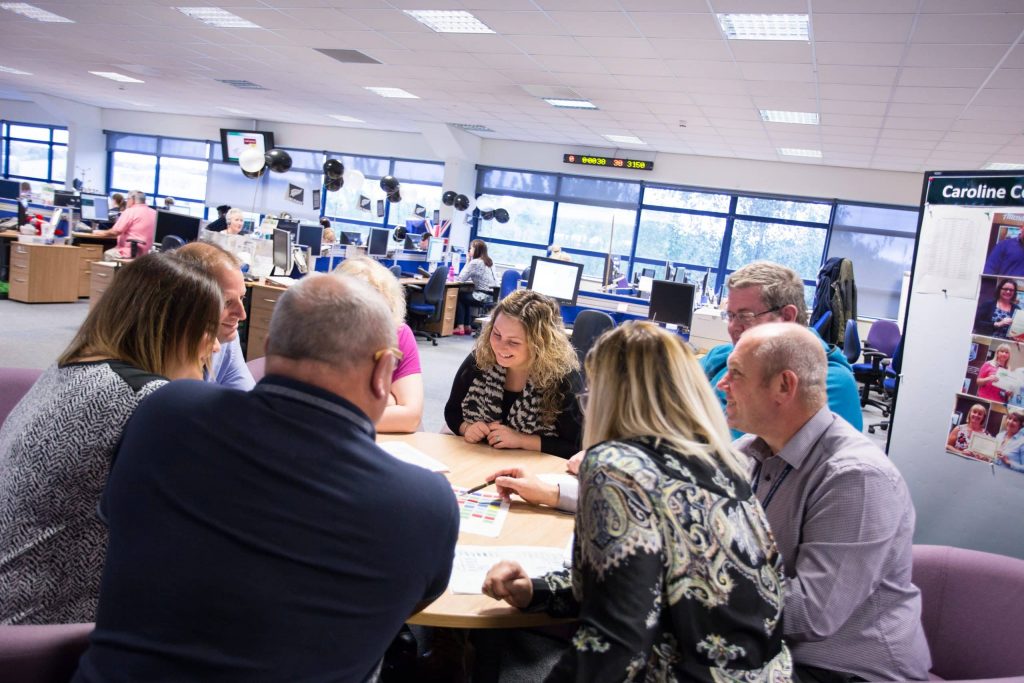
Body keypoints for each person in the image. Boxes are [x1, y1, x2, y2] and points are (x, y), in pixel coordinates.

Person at [72, 274, 459, 682]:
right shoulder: (424, 504)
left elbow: (122, 525)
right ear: (383, 371)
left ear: (270, 348)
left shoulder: (166, 411)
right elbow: (408, 606)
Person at [482, 322, 793, 681]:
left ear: (610, 398)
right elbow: (637, 580)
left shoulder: (616, 466)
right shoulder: (723, 465)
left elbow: (615, 642)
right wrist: (537, 591)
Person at [0, 254, 222, 625]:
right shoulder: (146, 399)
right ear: (169, 328)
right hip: (47, 623)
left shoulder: (71, 367)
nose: (214, 347)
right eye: (208, 331)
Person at [719, 323, 931, 681]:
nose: (722, 384)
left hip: (845, 671)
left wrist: (699, 589)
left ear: (784, 386)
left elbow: (810, 614)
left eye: (736, 373)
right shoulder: (748, 452)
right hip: (771, 648)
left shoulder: (855, 478)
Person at [701, 261, 863, 433]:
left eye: (745, 316)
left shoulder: (825, 383)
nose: (733, 327)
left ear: (786, 316)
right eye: (730, 316)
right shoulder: (722, 355)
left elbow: (748, 446)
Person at [445, 288, 582, 457]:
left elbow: (577, 446)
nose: (500, 347)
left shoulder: (562, 379)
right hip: (480, 459)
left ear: (540, 344)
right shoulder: (480, 359)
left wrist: (522, 440)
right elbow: (452, 412)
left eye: (514, 342)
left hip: (533, 468)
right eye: (496, 334)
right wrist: (466, 428)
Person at [334, 255, 423, 432]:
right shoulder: (322, 335)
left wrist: (345, 414)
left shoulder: (398, 332)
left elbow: (410, 417)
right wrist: (387, 401)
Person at [173, 242, 255, 390]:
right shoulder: (163, 349)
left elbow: (245, 398)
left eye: (242, 298)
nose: (242, 315)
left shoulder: (227, 337)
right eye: (226, 302)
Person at [92, 190, 156, 260]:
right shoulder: (154, 213)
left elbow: (116, 231)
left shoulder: (130, 211)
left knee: (108, 254)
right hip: (148, 254)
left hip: (130, 251)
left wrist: (100, 233)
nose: (126, 202)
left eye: (127, 199)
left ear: (132, 200)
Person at [452, 238, 498, 336]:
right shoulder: (490, 261)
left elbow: (461, 278)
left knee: (460, 297)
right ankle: (467, 326)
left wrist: (467, 261)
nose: (469, 250)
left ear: (476, 250)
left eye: (471, 248)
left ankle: (460, 327)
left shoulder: (476, 262)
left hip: (483, 296)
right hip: (492, 296)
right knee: (467, 297)